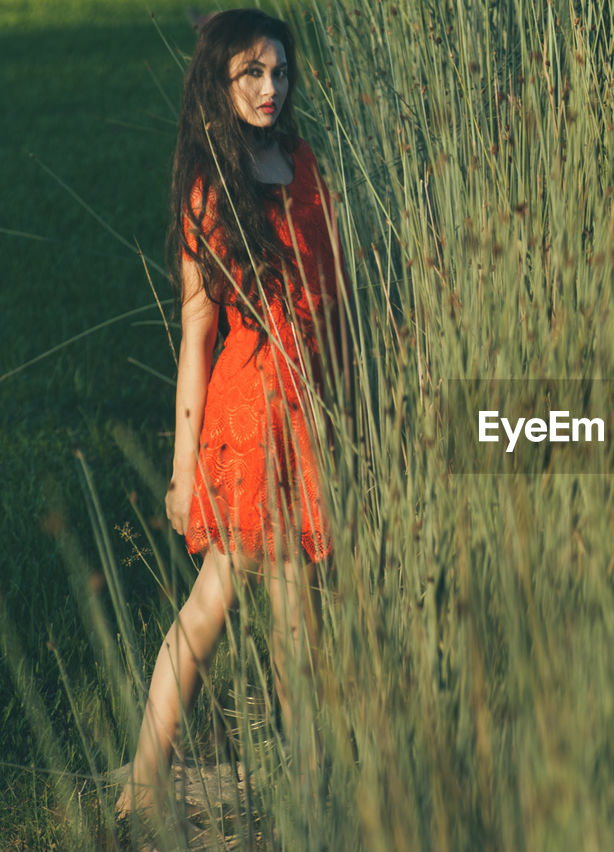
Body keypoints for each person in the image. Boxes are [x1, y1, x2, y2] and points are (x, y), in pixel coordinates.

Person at [116, 8, 344, 818]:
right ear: (221, 80)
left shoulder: (305, 163)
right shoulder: (214, 186)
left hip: (309, 409)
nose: (271, 88)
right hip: (251, 413)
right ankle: (161, 776)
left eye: (279, 73)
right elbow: (197, 331)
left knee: (285, 610)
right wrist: (183, 470)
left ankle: (299, 780)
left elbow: (330, 289)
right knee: (234, 601)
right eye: (253, 73)